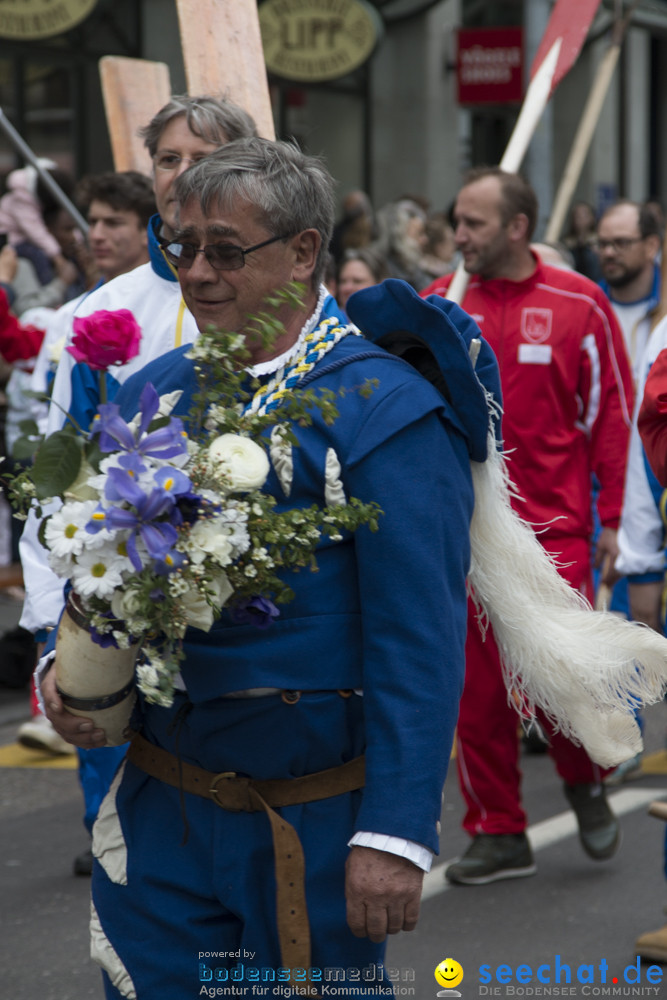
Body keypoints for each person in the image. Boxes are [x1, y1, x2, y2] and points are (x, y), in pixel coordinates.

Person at [39, 137, 495, 999]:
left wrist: (394, 833)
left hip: (316, 824)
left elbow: (418, 638)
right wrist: (68, 671)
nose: (197, 272)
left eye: (224, 249)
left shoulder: (385, 409)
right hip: (164, 806)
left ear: (303, 251)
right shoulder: (158, 389)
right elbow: (100, 557)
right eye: (182, 248)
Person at [17, 97, 258, 869]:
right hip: (119, 615)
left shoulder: (280, 308)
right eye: (167, 159)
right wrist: (58, 637)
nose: (183, 173)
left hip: (245, 628)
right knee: (132, 863)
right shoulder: (100, 313)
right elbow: (57, 484)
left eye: (204, 156)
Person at [422, 166, 634, 885]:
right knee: (477, 691)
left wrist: (610, 519)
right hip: (470, 531)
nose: (458, 236)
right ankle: (498, 831)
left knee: (559, 678)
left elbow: (611, 416)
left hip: (556, 531)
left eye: (472, 224)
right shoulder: (439, 305)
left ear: (516, 228)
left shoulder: (579, 303)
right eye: (456, 221)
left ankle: (584, 785)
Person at [597, 199, 662, 385]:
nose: (609, 252)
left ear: (651, 246)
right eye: (602, 244)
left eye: (621, 243)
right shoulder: (588, 308)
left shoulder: (664, 309)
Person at [336, 246, 387, 312]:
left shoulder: (395, 320)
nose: (348, 288)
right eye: (343, 281)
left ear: (379, 283)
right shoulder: (327, 320)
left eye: (357, 281)